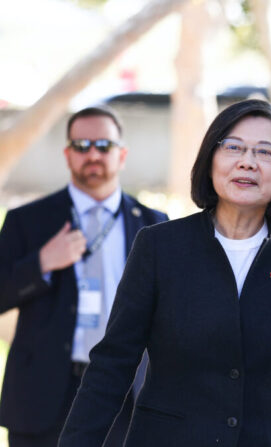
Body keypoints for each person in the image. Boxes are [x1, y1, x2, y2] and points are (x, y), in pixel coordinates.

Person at [58, 99, 271, 446]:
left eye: (266, 152)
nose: (247, 161)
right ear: (210, 159)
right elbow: (113, 363)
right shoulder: (159, 246)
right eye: (233, 147)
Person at [0, 105, 167, 447]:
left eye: (103, 145)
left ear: (121, 154)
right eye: (81, 145)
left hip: (126, 393)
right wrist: (42, 263)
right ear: (67, 154)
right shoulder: (27, 221)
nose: (92, 154)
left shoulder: (154, 223)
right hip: (43, 394)